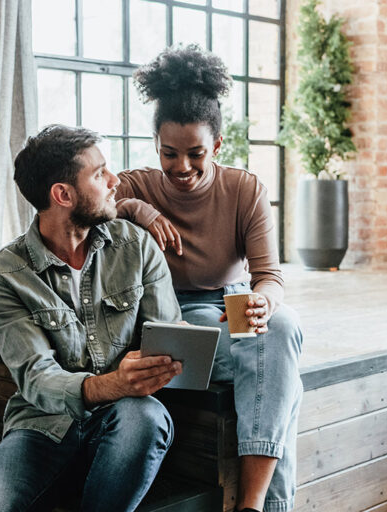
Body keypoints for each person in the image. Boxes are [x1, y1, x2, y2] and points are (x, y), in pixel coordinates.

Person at [115, 45, 303, 512]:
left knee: (279, 329)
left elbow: (270, 277)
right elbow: (93, 205)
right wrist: (140, 209)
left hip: (232, 300)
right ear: (156, 146)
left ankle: (251, 506)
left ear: (217, 145)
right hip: (172, 310)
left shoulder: (244, 189)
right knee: (279, 377)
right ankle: (269, 506)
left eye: (196, 153)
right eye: (169, 154)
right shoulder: (136, 183)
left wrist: (265, 302)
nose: (181, 167)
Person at [0, 124, 184, 512]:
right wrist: (111, 382)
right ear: (62, 194)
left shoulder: (136, 246)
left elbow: (168, 338)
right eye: (99, 174)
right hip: (42, 426)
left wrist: (162, 361)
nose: (115, 181)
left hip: (125, 416)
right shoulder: (5, 274)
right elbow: (37, 377)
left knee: (146, 418)